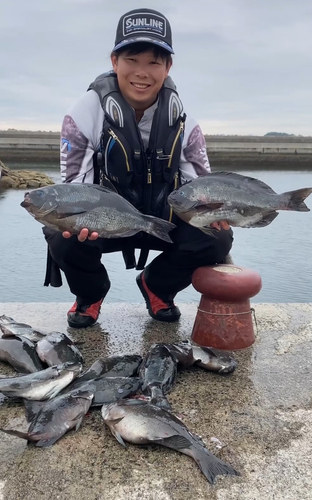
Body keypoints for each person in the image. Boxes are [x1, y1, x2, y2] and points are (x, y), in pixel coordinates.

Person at [43, 8, 233, 329]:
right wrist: (77, 219)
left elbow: (200, 186)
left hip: (163, 223)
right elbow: (74, 189)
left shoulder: (187, 122)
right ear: (114, 61)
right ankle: (91, 294)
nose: (142, 72)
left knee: (217, 238)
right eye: (132, 59)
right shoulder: (82, 114)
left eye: (153, 62)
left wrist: (215, 209)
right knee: (60, 233)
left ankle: (157, 285)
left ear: (168, 66)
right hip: (104, 222)